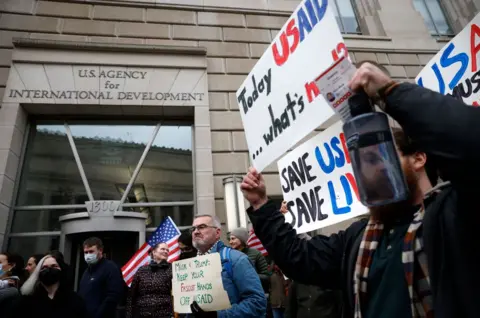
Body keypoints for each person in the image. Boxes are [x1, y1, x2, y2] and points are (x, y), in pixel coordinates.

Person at [241, 61, 480, 318]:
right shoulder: (358, 238)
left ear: (419, 158)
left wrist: (390, 92)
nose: (368, 171)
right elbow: (299, 257)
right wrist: (262, 206)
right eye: (361, 163)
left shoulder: (456, 216)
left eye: (379, 156)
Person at [189, 214, 267, 317]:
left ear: (217, 233)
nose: (196, 231)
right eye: (193, 228)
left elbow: (257, 303)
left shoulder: (236, 259)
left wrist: (218, 315)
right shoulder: (191, 266)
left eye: (202, 227)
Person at [11, 255, 88, 318]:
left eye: (54, 266)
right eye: (44, 267)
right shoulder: (26, 300)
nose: (49, 269)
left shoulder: (74, 300)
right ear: (38, 272)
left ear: (61, 270)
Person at [78, 237, 124, 318]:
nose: (88, 255)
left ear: (100, 250)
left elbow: (113, 296)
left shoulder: (111, 268)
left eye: (91, 251)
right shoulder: (86, 272)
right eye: (86, 252)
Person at [126, 242, 173, 318]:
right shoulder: (142, 270)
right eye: (163, 249)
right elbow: (131, 295)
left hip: (165, 314)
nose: (166, 251)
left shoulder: (172, 269)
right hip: (142, 314)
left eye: (167, 250)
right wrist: (129, 315)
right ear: (154, 252)